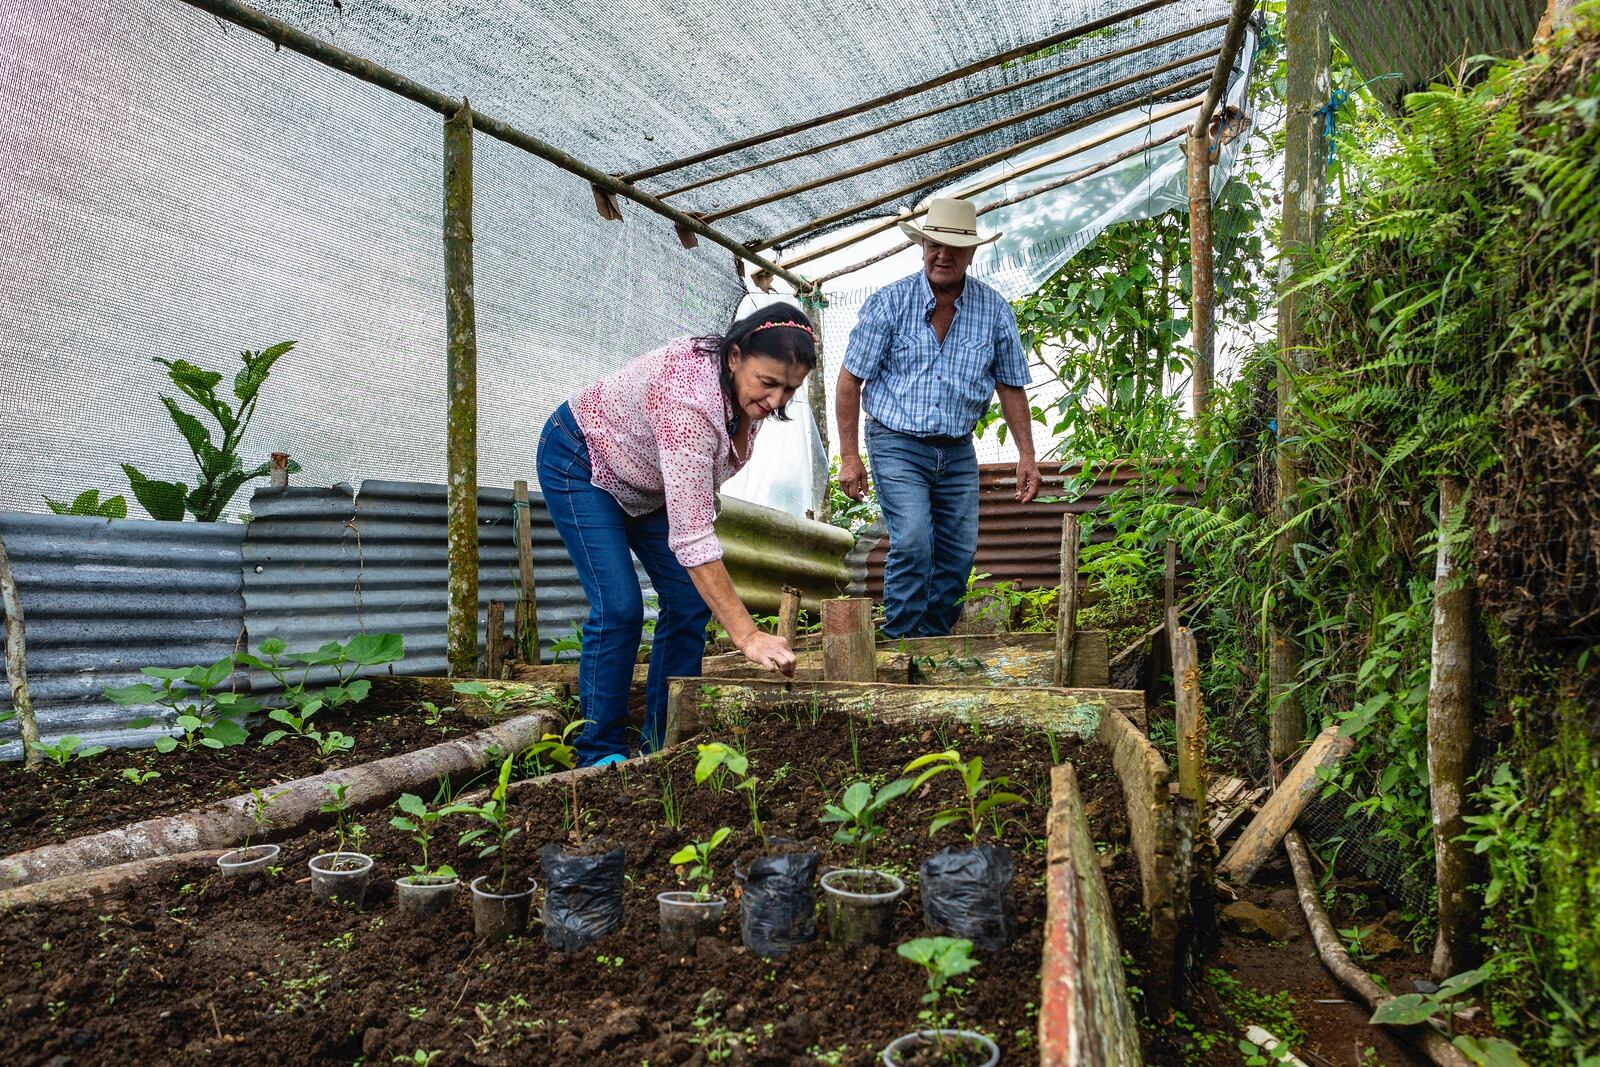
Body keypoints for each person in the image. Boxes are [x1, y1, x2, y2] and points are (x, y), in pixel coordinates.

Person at [536, 305, 813, 766]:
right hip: (582, 461)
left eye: (790, 389)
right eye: (768, 383)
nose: (777, 399)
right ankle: (599, 750)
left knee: (687, 600)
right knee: (620, 606)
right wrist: (747, 637)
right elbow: (693, 541)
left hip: (647, 480)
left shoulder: (744, 395)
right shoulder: (688, 399)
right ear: (735, 356)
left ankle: (664, 739)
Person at [836, 198, 1040, 639]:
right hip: (896, 442)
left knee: (958, 551)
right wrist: (849, 457)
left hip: (957, 449)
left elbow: (1011, 386)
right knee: (911, 540)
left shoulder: (993, 311)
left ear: (971, 254)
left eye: (953, 248)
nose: (942, 255)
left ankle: (931, 642)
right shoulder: (889, 304)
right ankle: (900, 641)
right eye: (934, 244)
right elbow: (850, 380)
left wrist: (1028, 455)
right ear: (922, 246)